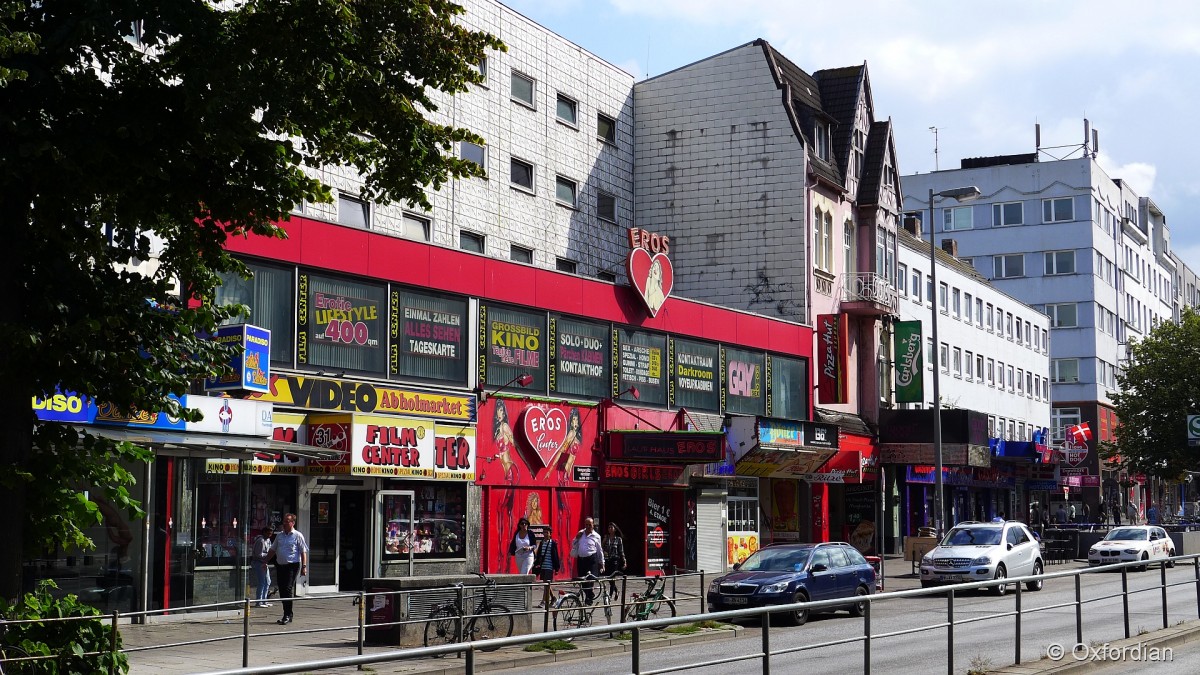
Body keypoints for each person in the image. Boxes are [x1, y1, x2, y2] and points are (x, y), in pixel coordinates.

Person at [268, 513, 308, 625]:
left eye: (287, 521)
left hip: (292, 565)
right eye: (284, 521)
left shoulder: (297, 535)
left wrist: (304, 567)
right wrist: (265, 561)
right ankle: (287, 613)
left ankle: (287, 614)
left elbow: (303, 552)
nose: (284, 523)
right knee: (282, 589)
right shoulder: (279, 536)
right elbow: (272, 549)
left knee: (288, 588)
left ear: (292, 523)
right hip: (280, 565)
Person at [571, 518, 604, 604]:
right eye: (586, 525)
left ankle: (588, 597)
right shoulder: (581, 533)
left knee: (590, 578)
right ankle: (590, 595)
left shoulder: (596, 536)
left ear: (593, 525)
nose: (588, 526)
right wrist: (576, 538)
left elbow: (599, 550)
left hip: (591, 560)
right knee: (582, 580)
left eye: (590, 525)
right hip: (581, 560)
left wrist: (602, 562)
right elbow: (573, 543)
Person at [532, 525, 561, 608]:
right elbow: (540, 554)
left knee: (546, 584)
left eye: (547, 532)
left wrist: (556, 568)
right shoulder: (541, 543)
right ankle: (553, 598)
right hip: (543, 566)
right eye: (544, 532)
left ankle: (543, 601)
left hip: (549, 566)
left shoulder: (553, 543)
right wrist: (536, 563)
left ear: (550, 534)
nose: (545, 534)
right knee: (546, 584)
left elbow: (555, 556)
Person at [250, 525, 274, 608]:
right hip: (259, 562)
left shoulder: (268, 540)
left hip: (264, 562)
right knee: (262, 582)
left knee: (268, 581)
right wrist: (268, 555)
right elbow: (258, 554)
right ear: (264, 532)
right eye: (268, 533)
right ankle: (259, 601)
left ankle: (264, 600)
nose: (269, 535)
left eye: (271, 533)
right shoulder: (260, 541)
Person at [602, 522, 627, 597]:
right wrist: (604, 541)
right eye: (608, 527)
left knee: (612, 577)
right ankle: (616, 590)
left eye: (611, 527)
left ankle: (610, 594)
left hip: (615, 560)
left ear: (615, 529)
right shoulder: (606, 537)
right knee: (609, 577)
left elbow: (621, 551)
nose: (609, 529)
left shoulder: (618, 539)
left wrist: (624, 561)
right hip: (607, 559)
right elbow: (601, 547)